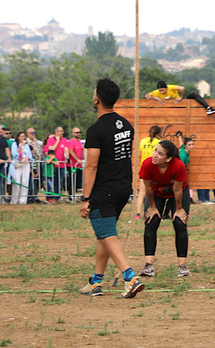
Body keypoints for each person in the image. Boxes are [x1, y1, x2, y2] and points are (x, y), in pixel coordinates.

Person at [78, 78, 144, 299]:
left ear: (97, 99)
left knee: (107, 234)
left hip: (103, 190)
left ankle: (130, 277)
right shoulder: (126, 124)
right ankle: (96, 282)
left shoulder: (96, 129)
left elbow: (92, 166)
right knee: (103, 235)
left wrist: (85, 198)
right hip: (122, 188)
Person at [139, 140, 192, 278]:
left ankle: (182, 265)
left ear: (168, 158)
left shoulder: (178, 165)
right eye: (155, 150)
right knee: (151, 221)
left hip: (178, 192)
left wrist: (179, 209)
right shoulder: (147, 164)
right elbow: (148, 188)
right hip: (156, 193)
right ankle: (148, 265)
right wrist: (152, 207)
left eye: (160, 153)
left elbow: (177, 189)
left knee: (180, 223)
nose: (155, 155)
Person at [145, 80, 215, 115]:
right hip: (170, 110)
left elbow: (182, 88)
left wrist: (181, 97)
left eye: (163, 90)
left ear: (166, 88)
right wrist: (156, 98)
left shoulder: (170, 88)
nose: (161, 92)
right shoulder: (157, 92)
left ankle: (208, 108)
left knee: (194, 93)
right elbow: (147, 96)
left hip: (181, 105)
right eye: (160, 90)